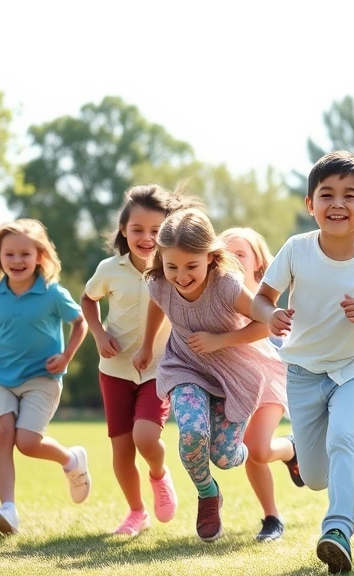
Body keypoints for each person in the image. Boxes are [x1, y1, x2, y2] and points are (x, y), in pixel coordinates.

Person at [252, 151, 354, 573]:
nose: (337, 203)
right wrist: (271, 316)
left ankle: (338, 530)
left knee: (342, 435)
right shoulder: (297, 250)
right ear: (310, 204)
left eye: (349, 195)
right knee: (317, 476)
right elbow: (261, 298)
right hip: (302, 371)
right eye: (326, 195)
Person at [132, 208, 288, 543]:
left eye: (191, 266)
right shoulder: (160, 282)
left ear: (211, 257)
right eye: (173, 266)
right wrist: (147, 346)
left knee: (224, 456)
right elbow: (157, 304)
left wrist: (264, 318)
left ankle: (284, 453)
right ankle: (207, 493)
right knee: (190, 433)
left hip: (233, 374)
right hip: (185, 367)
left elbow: (260, 319)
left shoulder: (227, 285)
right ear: (162, 259)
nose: (181, 275)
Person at [0, 219, 90, 535]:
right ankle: (9, 510)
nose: (16, 261)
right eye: (9, 255)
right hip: (1, 377)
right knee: (3, 433)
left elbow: (80, 323)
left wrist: (66, 356)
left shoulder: (52, 293)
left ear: (40, 257)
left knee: (28, 443)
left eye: (24, 254)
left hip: (42, 378)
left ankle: (71, 460)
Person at [82, 184, 184, 536]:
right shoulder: (109, 269)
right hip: (114, 370)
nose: (146, 237)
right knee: (122, 449)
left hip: (158, 368)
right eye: (137, 229)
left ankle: (159, 474)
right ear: (123, 231)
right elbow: (87, 299)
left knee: (145, 437)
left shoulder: (174, 270)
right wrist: (98, 334)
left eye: (156, 231)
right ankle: (136, 512)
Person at [219, 226, 303, 542]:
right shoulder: (220, 295)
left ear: (257, 260)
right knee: (251, 451)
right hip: (235, 381)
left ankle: (290, 450)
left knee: (256, 448)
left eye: (240, 253)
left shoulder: (266, 298)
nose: (233, 259)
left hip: (271, 375)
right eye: (226, 254)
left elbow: (271, 332)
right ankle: (272, 516)